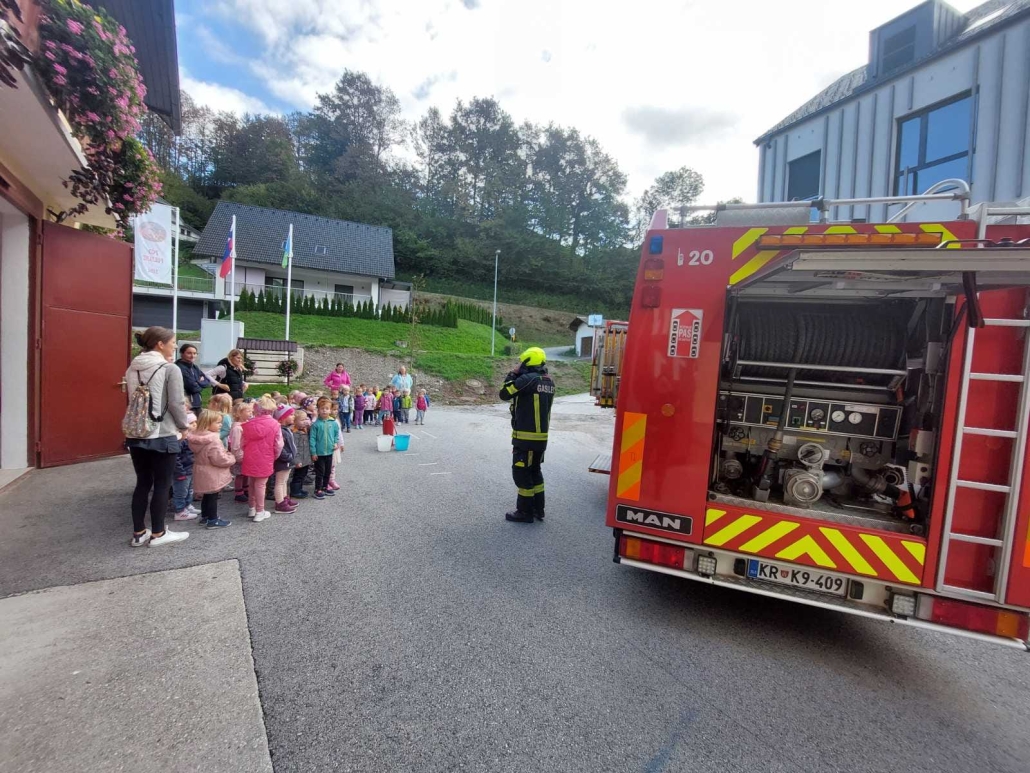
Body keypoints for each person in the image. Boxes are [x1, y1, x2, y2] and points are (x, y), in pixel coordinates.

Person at [124, 326, 192, 547]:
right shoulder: (169, 369)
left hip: (137, 432)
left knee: (143, 483)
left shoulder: (132, 368)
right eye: (172, 343)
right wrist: (184, 426)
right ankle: (158, 533)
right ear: (160, 344)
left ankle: (138, 533)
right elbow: (175, 403)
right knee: (162, 484)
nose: (174, 346)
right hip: (162, 433)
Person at [499, 347, 555, 523]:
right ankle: (539, 509)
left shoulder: (526, 380)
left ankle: (525, 512)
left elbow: (504, 394)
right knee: (535, 472)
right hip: (541, 438)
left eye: (522, 362)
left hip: (525, 438)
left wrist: (512, 374)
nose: (519, 365)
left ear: (528, 361)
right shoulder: (549, 381)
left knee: (521, 473)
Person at [189, 409, 236, 529]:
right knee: (212, 496)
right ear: (208, 423)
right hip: (212, 472)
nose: (221, 425)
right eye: (218, 422)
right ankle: (212, 519)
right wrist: (231, 457)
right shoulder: (213, 440)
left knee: (207, 494)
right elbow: (219, 459)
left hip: (201, 469)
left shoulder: (196, 438)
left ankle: (205, 516)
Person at [241, 396, 283, 522]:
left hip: (249, 456)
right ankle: (260, 511)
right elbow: (279, 444)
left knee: (252, 483)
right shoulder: (275, 424)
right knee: (261, 484)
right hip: (266, 457)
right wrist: (275, 455)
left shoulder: (248, 424)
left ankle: (252, 508)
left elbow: (242, 442)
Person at [172, 406, 200, 521]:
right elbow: (176, 458)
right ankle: (179, 511)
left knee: (189, 489)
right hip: (182, 471)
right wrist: (180, 472)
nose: (194, 424)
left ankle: (187, 506)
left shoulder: (191, 438)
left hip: (190, 468)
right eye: (191, 423)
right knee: (181, 491)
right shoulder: (181, 441)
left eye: (195, 422)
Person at [310, 397, 340, 500]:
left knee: (328, 471)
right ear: (318, 410)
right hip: (319, 453)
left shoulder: (333, 423)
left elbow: (336, 434)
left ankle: (325, 486)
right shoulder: (316, 425)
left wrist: (336, 442)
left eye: (327, 408)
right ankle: (317, 489)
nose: (324, 410)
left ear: (330, 410)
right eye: (322, 408)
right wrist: (313, 452)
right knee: (320, 472)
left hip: (329, 452)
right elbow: (312, 439)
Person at [272, 405, 299, 513]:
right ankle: (279, 503)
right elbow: (279, 447)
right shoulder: (281, 431)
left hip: (288, 460)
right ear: (283, 417)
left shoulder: (285, 429)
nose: (293, 417)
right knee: (280, 482)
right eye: (291, 415)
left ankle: (284, 499)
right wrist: (287, 457)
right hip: (283, 460)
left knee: (284, 481)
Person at [176, 343, 219, 411]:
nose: (192, 356)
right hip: (187, 405)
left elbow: (207, 381)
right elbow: (192, 388)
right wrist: (199, 382)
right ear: (182, 353)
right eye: (189, 353)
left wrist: (197, 382)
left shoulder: (194, 367)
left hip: (197, 403)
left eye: (195, 353)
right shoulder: (180, 368)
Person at [228, 400, 252, 502]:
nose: (250, 413)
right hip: (240, 454)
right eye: (248, 411)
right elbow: (235, 444)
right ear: (239, 413)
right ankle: (239, 492)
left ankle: (246, 488)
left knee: (246, 473)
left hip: (247, 453)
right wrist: (239, 455)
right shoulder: (237, 428)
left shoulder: (246, 424)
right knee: (240, 474)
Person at [290, 412, 312, 500]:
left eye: (306, 419)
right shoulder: (295, 433)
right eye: (302, 420)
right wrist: (297, 460)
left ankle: (299, 489)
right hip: (300, 459)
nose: (305, 421)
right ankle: (295, 491)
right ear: (295, 421)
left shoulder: (304, 429)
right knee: (298, 476)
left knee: (303, 474)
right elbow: (295, 448)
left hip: (305, 458)